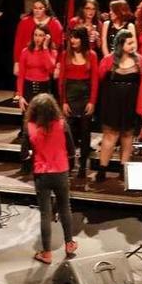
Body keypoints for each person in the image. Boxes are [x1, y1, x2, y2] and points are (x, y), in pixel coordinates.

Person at [23, 94, 77, 264]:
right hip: (61, 171)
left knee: (45, 214)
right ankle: (69, 243)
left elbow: (24, 154)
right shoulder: (62, 124)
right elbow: (71, 149)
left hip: (42, 174)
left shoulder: (30, 127)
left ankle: (46, 253)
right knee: (65, 208)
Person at [96, 30, 142, 182]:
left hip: (131, 103)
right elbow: (99, 80)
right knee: (110, 135)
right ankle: (102, 169)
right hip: (112, 103)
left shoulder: (139, 61)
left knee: (127, 135)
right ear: (120, 44)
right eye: (129, 43)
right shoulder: (108, 60)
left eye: (133, 42)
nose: (133, 46)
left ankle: (124, 170)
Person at [58, 27, 98, 178]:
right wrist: (64, 102)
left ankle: (82, 166)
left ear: (83, 39)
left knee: (85, 133)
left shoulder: (92, 55)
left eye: (76, 37)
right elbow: (61, 81)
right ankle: (69, 163)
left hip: (85, 98)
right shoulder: (65, 55)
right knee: (69, 133)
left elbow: (94, 81)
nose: (73, 40)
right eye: (71, 37)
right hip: (70, 97)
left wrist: (92, 101)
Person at [17, 25, 58, 173]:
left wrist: (45, 48)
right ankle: (25, 162)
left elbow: (50, 68)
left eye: (41, 35)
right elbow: (21, 75)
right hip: (28, 90)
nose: (38, 38)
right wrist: (20, 96)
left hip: (43, 91)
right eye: (36, 35)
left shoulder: (51, 51)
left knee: (42, 128)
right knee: (27, 127)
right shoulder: (25, 52)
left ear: (47, 37)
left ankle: (41, 161)